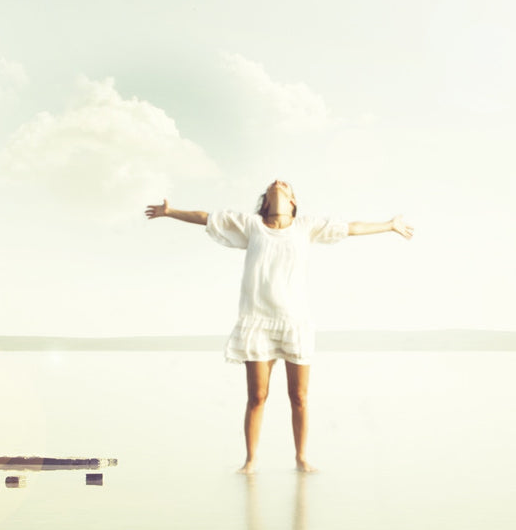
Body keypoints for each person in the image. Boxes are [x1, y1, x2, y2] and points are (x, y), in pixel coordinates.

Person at [144, 180, 413, 473]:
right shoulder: (251, 225)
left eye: (285, 185)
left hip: (294, 322)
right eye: (274, 184)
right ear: (268, 201)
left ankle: (301, 458)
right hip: (256, 322)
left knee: (298, 396)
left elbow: (351, 227)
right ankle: (250, 461)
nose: (278, 183)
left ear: (293, 201)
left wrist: (389, 225)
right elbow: (207, 217)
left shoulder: (306, 226)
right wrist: (170, 212)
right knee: (257, 396)